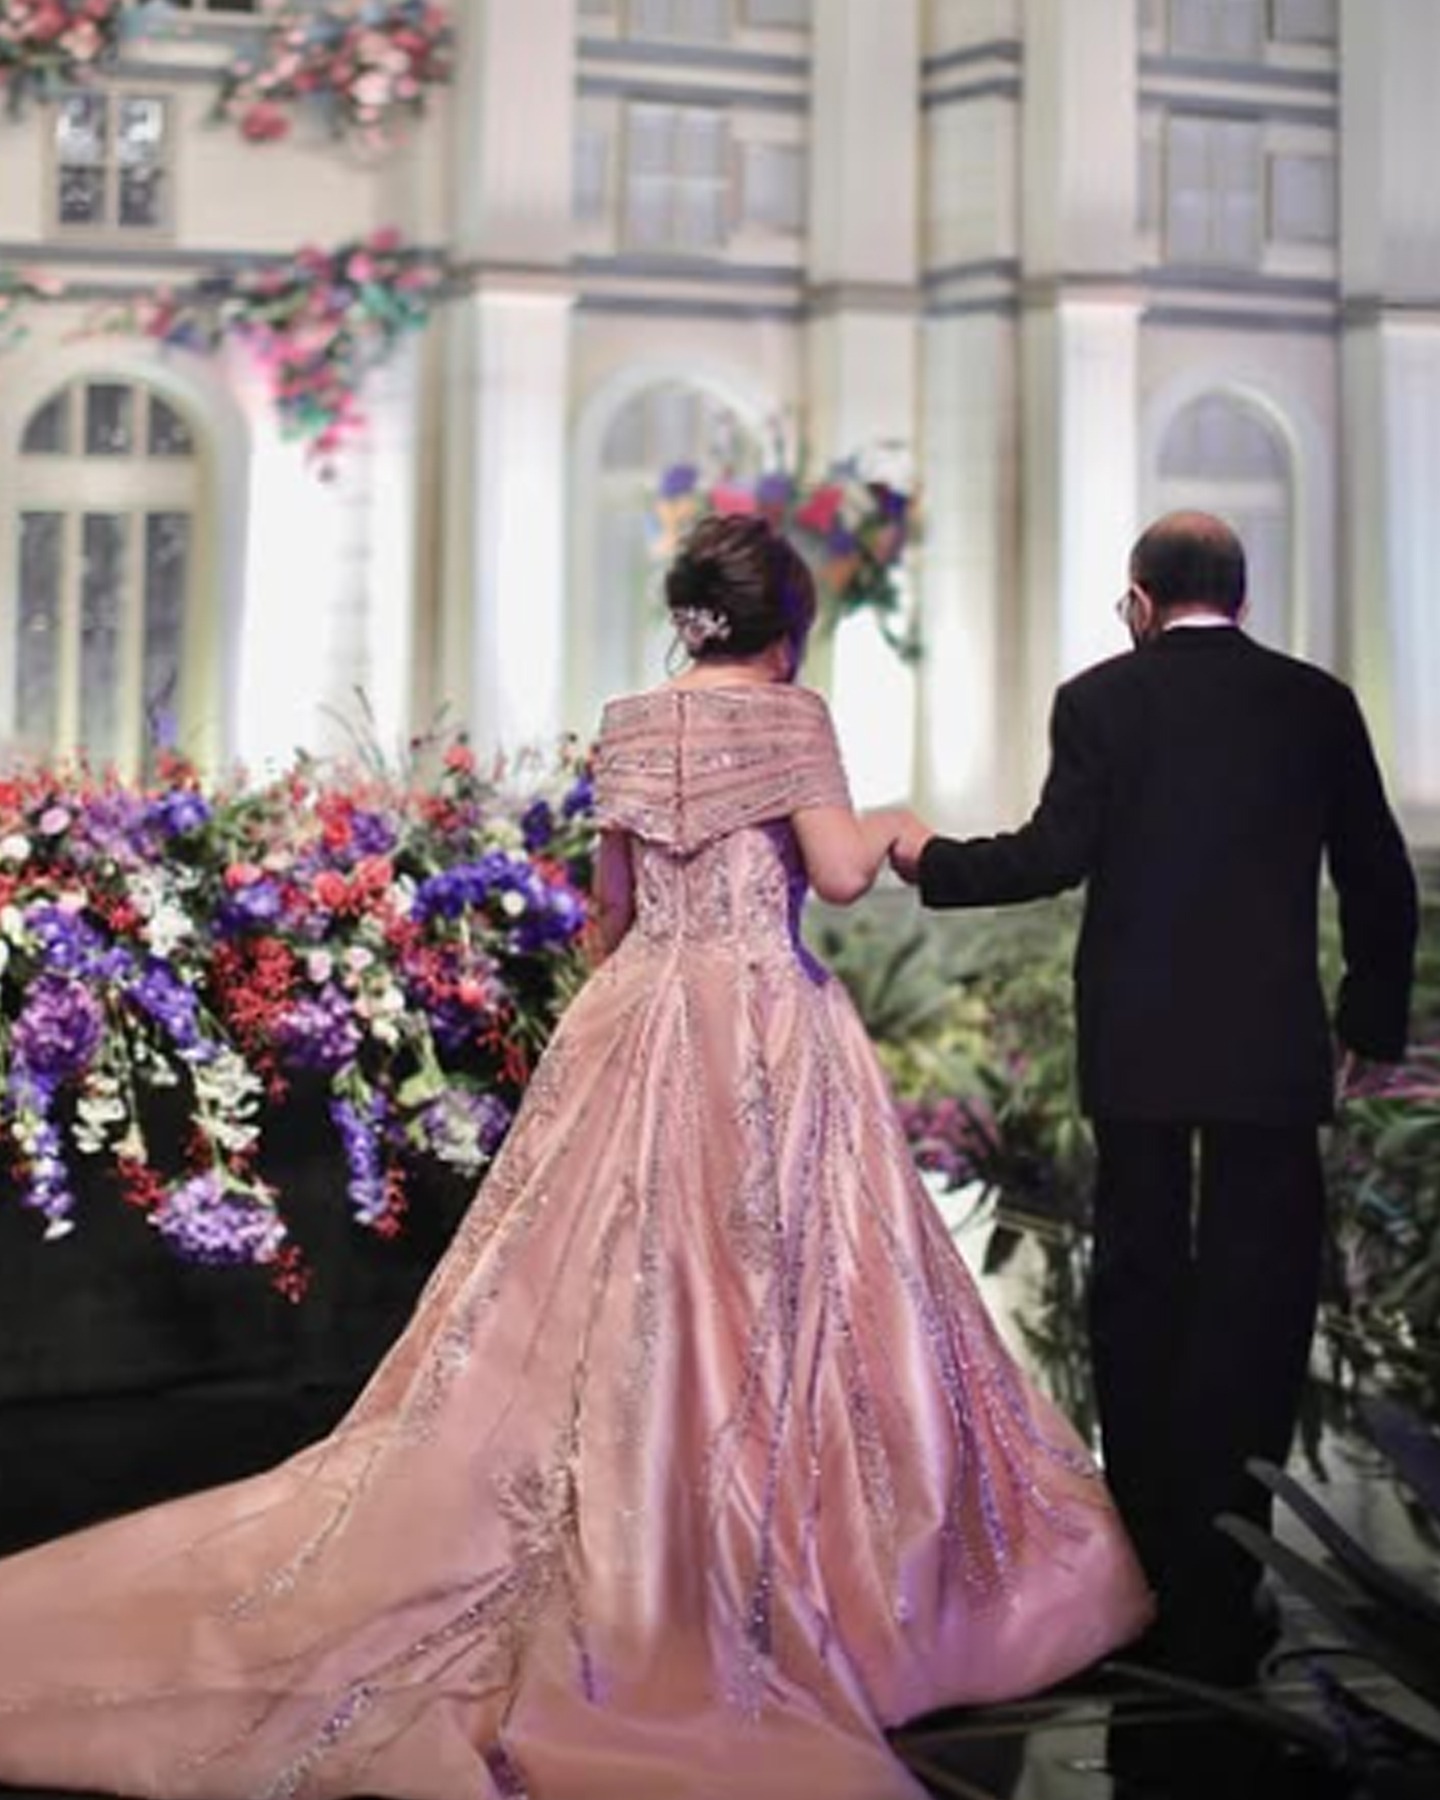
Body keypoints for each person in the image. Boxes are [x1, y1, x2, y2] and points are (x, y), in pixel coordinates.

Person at [0, 515, 1151, 1800]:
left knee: (612, 1285)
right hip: (762, 1027)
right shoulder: (791, 717)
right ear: (783, 625)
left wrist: (650, 980)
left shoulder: (629, 722)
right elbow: (834, 876)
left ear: (691, 615)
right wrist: (893, 823)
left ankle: (627, 1503)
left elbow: (610, 913)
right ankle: (759, 1552)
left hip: (637, 1015)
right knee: (780, 1284)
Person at [890, 510, 1419, 1692]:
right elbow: (1378, 878)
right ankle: (1232, 1559)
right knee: (1259, 1301)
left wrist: (932, 860)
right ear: (1242, 593)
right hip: (1269, 1053)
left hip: (1139, 1050)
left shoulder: (1099, 701)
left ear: (1138, 600)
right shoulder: (1316, 704)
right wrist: (1366, 1023)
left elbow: (1051, 855)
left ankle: (1146, 1557)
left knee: (1138, 1290)